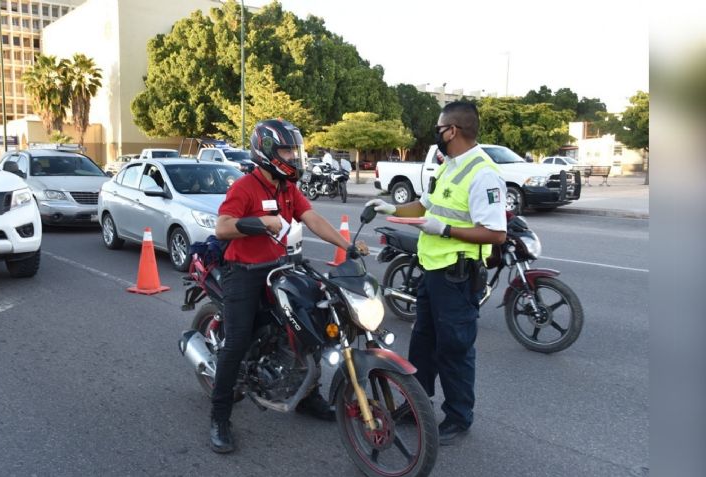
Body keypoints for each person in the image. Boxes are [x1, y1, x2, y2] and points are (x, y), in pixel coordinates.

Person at [210, 119, 368, 454]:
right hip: (243, 271)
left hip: (279, 266)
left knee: (305, 327)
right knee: (236, 342)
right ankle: (220, 417)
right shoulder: (245, 187)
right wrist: (259, 223)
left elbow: (312, 218)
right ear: (266, 151)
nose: (293, 157)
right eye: (286, 150)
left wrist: (345, 243)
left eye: (294, 150)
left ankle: (308, 396)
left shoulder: (287, 188)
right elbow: (222, 227)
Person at [367, 101, 506, 446]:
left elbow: (495, 233)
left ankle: (459, 417)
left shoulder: (483, 173)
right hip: (433, 272)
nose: (437, 134)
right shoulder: (450, 167)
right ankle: (418, 403)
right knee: (423, 342)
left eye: (439, 128)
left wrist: (445, 230)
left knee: (454, 349)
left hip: (457, 277)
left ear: (453, 131)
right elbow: (427, 205)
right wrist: (392, 207)